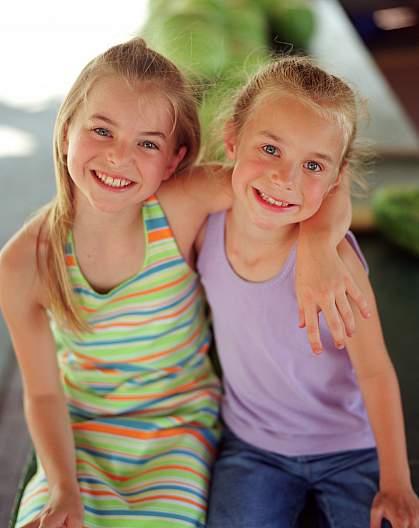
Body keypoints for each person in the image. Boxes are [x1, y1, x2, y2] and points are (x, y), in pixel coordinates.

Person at [0, 39, 367, 528]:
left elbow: (319, 181)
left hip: (178, 425)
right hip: (79, 434)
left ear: (173, 161)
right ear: (66, 131)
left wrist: (320, 247)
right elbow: (43, 395)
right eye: (102, 131)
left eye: (147, 143)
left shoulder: (182, 204)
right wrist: (63, 490)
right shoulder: (22, 263)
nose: (118, 157)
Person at [197, 57, 419, 528]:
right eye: (271, 149)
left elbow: (375, 371)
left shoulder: (339, 264)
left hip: (348, 449)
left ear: (336, 181)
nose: (286, 178)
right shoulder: (204, 226)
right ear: (233, 139)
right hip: (253, 446)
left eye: (312, 164)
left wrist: (396, 481)